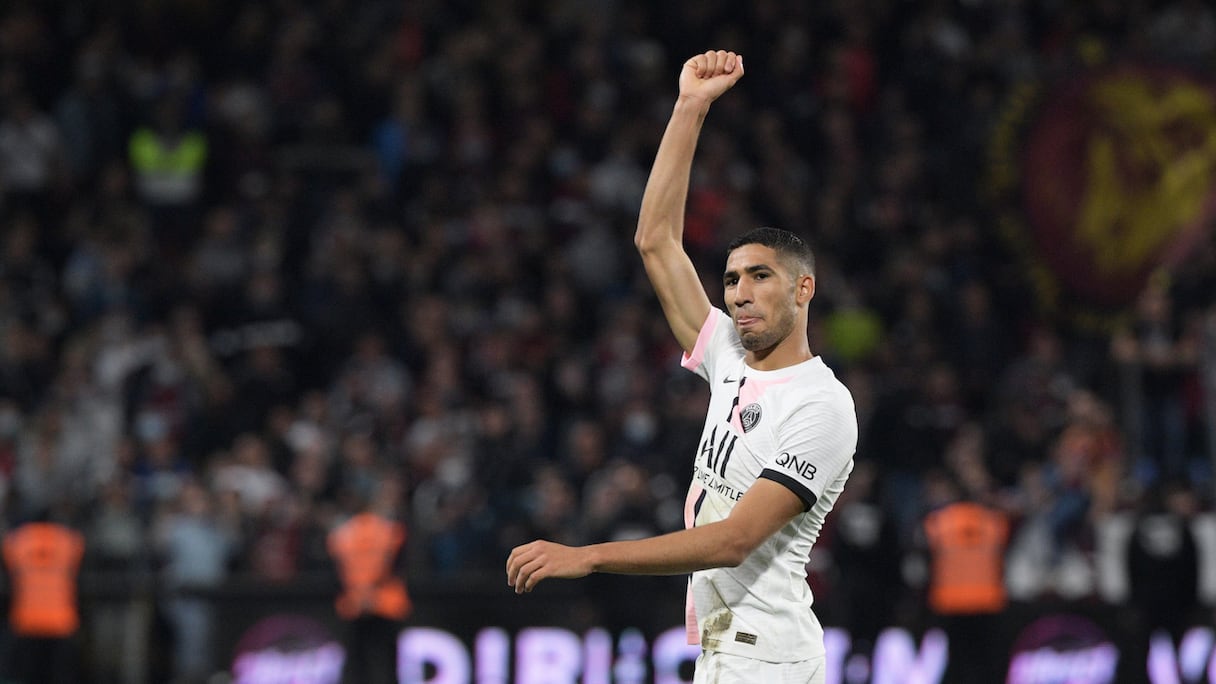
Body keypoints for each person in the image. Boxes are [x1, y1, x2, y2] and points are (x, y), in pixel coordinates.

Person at [507, 50, 858, 684]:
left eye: (760, 276)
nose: (739, 292)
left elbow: (731, 540)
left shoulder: (822, 405)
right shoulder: (729, 357)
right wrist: (690, 108)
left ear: (805, 289)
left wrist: (587, 558)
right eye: (730, 279)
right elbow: (655, 242)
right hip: (729, 649)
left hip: (767, 657)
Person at [327, 476, 412, 684]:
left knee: (357, 665)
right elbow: (400, 567)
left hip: (354, 605)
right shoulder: (391, 530)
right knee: (389, 665)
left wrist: (361, 595)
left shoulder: (340, 533)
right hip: (386, 604)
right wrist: (372, 594)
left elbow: (335, 574)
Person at [1, 511, 86, 684]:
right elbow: (80, 545)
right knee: (58, 675)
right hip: (61, 621)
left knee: (28, 674)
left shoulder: (18, 540)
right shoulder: (67, 540)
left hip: (26, 620)